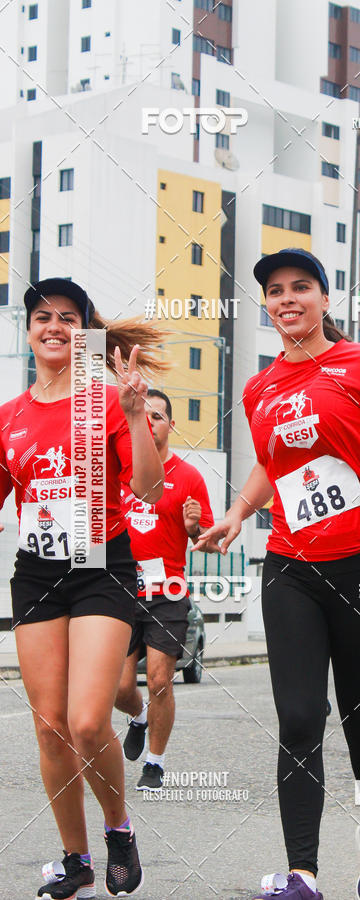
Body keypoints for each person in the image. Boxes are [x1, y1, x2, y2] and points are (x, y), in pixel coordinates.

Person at [195, 248, 360, 900]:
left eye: (302, 287)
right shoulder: (259, 389)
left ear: (325, 300)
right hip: (292, 568)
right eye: (275, 290)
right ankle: (303, 876)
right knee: (300, 717)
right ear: (267, 304)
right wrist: (238, 512)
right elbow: (272, 465)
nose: (288, 298)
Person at [1, 278, 167, 898]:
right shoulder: (8, 418)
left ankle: (118, 828)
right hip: (38, 574)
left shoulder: (106, 402)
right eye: (42, 316)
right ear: (28, 330)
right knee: (49, 728)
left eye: (68, 318)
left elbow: (148, 490)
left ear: (84, 332)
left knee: (88, 722)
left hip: (101, 566)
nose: (54, 326)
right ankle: (76, 859)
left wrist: (133, 416)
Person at [115, 390, 214, 789]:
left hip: (167, 591)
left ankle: (154, 762)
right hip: (120, 588)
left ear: (170, 425)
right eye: (145, 415)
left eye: (158, 416)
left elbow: (206, 537)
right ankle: (138, 716)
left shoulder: (189, 477)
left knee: (158, 680)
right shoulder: (119, 471)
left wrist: (195, 528)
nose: (151, 421)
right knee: (120, 687)